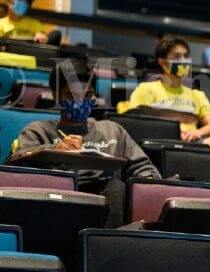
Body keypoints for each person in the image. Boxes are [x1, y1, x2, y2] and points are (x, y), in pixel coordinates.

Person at [12, 59, 161, 227]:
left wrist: (147, 183)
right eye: (72, 96)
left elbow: (144, 169)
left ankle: (107, 243)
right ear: (56, 95)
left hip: (106, 202)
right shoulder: (38, 130)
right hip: (57, 202)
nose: (80, 102)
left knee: (116, 187)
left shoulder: (113, 131)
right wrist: (54, 149)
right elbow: (17, 165)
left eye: (88, 95)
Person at [121, 35, 210, 144]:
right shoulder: (145, 89)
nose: (183, 60)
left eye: (185, 56)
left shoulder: (198, 95)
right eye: (177, 56)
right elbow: (135, 122)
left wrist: (197, 133)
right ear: (162, 61)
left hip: (190, 142)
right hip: (158, 141)